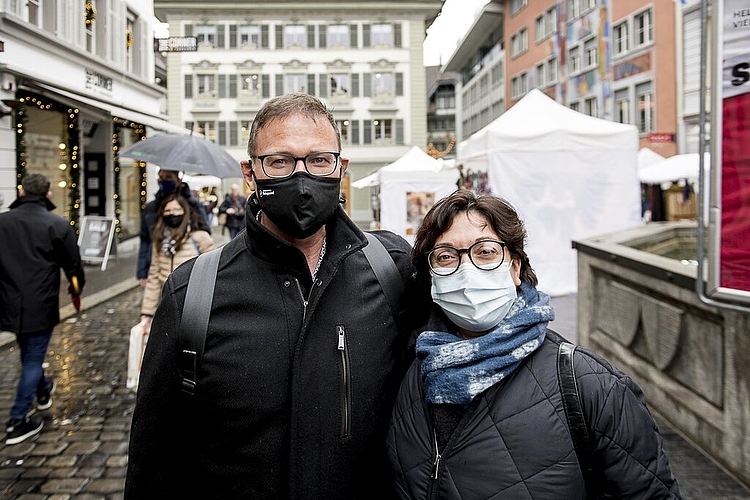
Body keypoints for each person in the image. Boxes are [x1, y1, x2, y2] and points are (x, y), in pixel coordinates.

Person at [125, 93, 427, 499]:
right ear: (250, 173)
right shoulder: (193, 291)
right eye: (280, 161)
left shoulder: (391, 269)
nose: (302, 179)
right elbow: (155, 458)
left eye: (320, 160)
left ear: (342, 168)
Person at [386, 190, 681, 499]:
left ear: (515, 267)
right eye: (446, 256)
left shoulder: (590, 386)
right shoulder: (413, 373)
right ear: (432, 277)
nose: (466, 268)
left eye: (486, 252)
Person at [0, 173, 85, 445]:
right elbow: (73, 267)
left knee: (30, 353)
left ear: (22, 191)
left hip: (9, 301)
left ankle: (44, 390)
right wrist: (76, 291)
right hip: (40, 301)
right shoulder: (56, 225)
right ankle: (17, 420)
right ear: (48, 194)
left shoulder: (3, 222)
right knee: (34, 358)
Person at [139, 194, 215, 328]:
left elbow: (213, 272)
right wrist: (147, 312)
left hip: (194, 307)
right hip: (167, 306)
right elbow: (154, 277)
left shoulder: (199, 237)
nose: (172, 214)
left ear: (185, 212)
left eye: (176, 210)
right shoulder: (159, 240)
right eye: (167, 211)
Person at [136, 169, 209, 288]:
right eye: (161, 177)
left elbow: (205, 235)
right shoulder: (151, 208)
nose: (163, 180)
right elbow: (145, 240)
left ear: (178, 180)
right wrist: (142, 272)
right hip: (158, 271)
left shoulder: (193, 206)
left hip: (187, 272)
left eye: (168, 177)